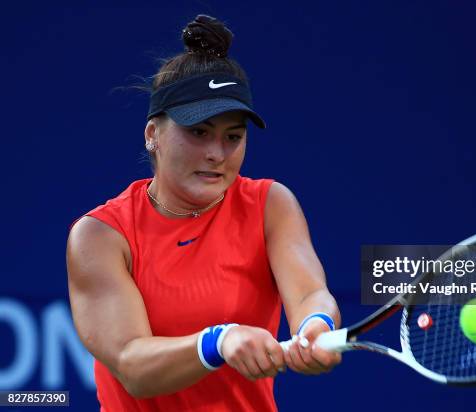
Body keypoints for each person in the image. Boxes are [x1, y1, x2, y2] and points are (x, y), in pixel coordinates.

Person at [66, 14, 341, 412]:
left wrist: (317, 325)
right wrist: (217, 342)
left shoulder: (271, 204)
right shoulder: (100, 235)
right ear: (152, 135)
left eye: (233, 137)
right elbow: (132, 365)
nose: (217, 153)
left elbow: (311, 293)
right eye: (199, 132)